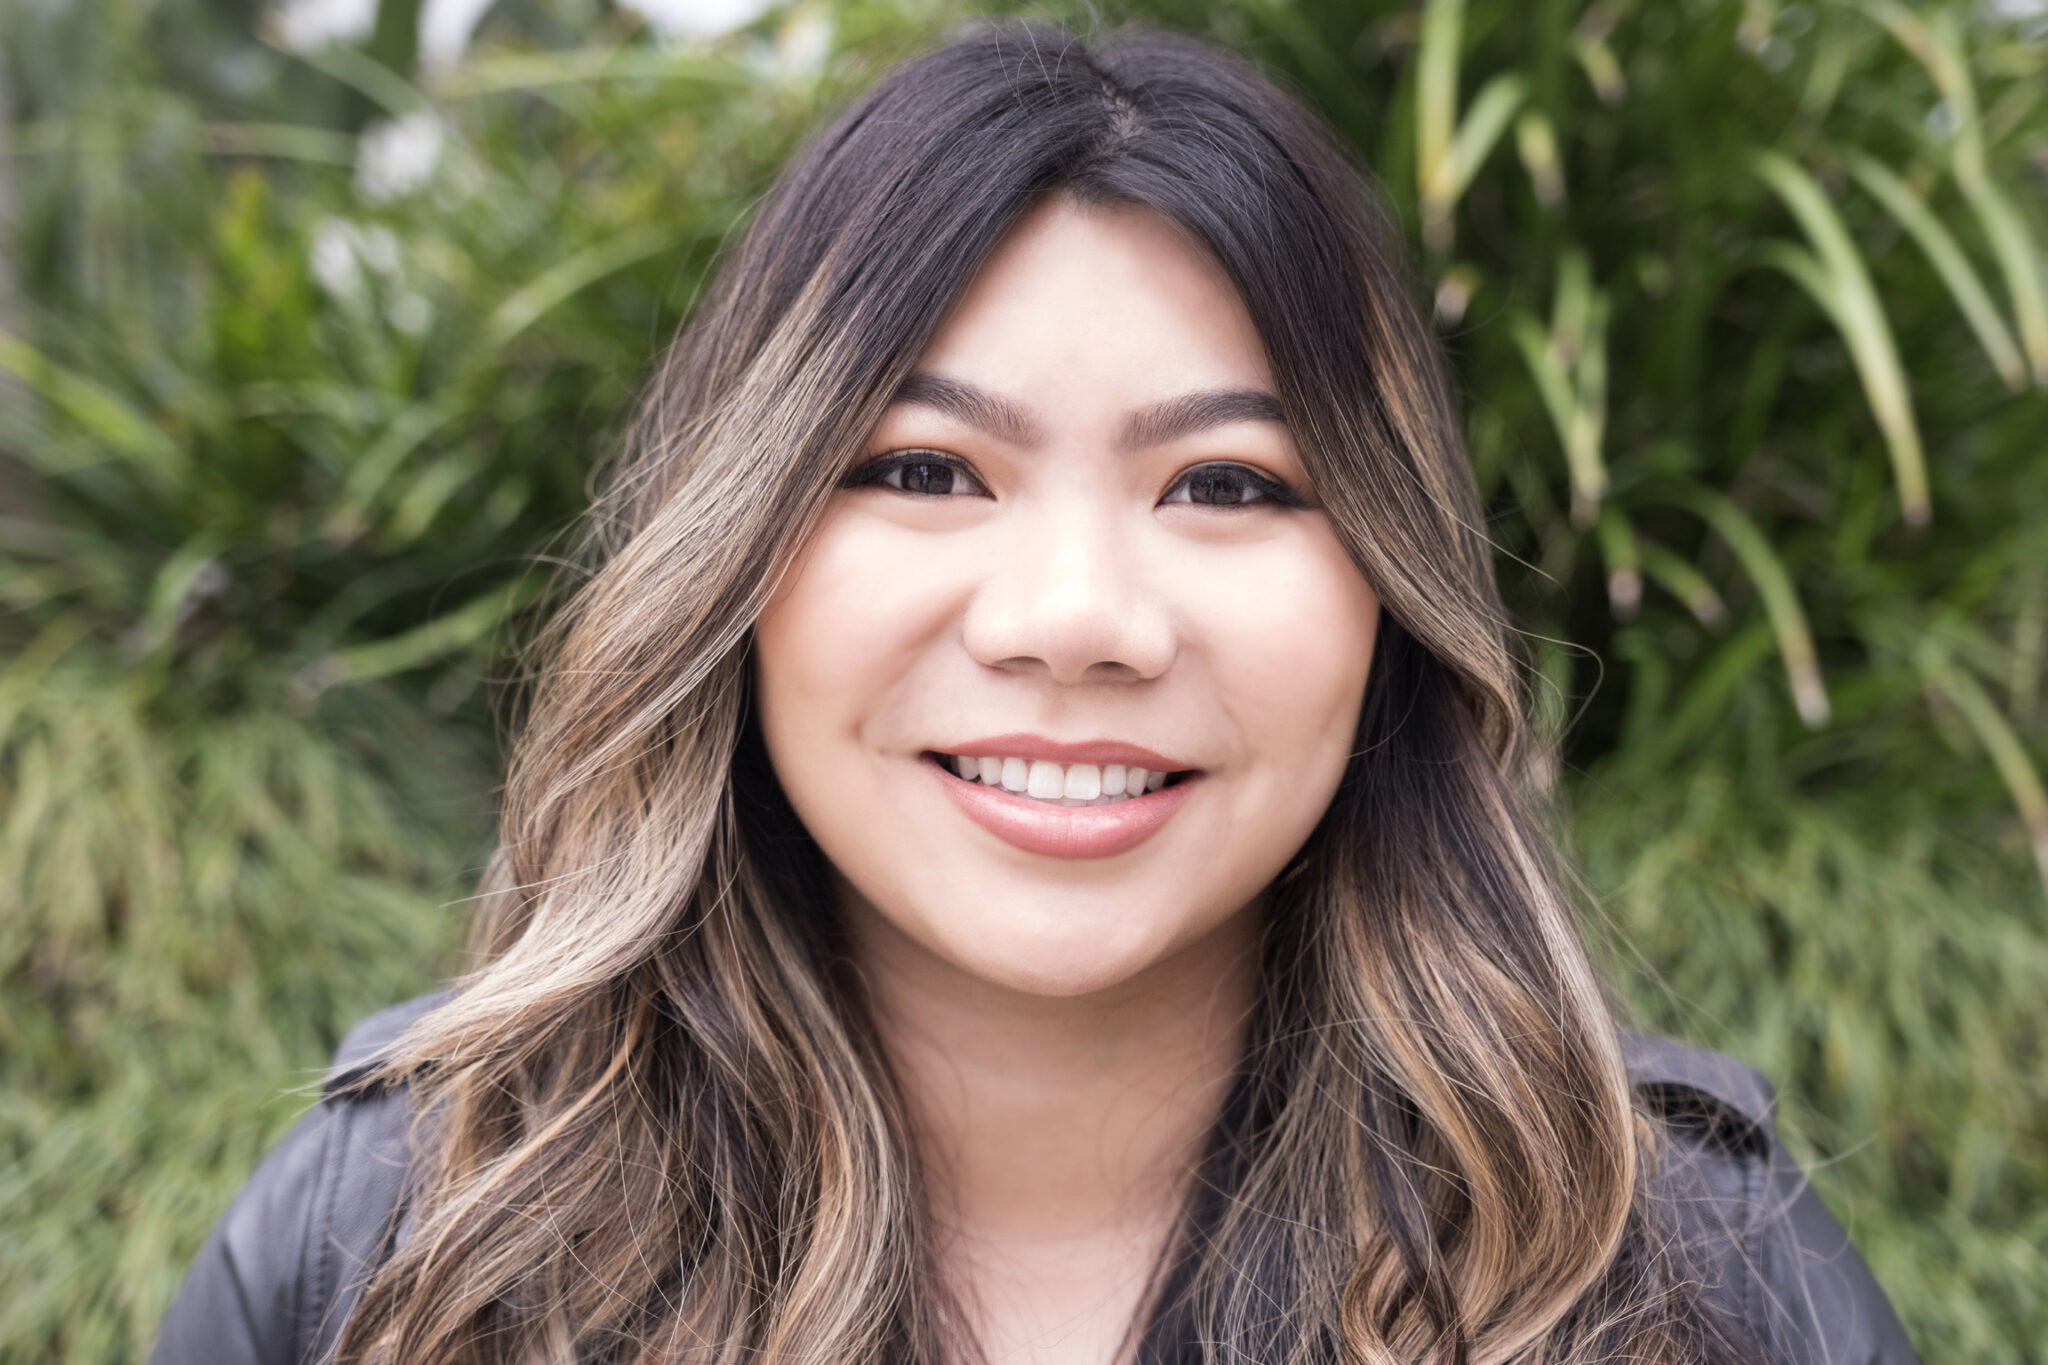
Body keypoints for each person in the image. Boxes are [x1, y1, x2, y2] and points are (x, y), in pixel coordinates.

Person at [151, 23, 1917, 1365]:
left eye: (1229, 484)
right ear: (736, 557)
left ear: (1392, 594)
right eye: (925, 471)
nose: (1076, 620)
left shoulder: (1674, 1257)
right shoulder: (405, 1235)